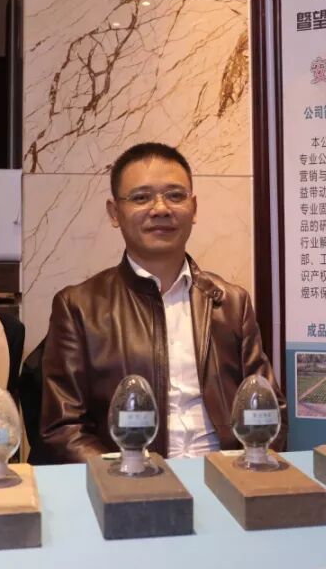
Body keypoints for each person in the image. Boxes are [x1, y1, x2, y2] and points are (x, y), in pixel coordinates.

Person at [40, 142, 286, 462]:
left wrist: (248, 470)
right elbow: (63, 429)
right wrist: (126, 477)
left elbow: (267, 409)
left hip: (226, 475)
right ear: (114, 213)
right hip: (131, 477)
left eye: (175, 195)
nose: (160, 209)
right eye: (141, 198)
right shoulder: (79, 307)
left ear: (193, 208)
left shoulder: (231, 303)